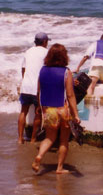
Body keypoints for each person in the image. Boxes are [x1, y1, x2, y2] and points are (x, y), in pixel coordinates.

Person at [32, 44, 80, 174]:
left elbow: (38, 91)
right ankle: (59, 168)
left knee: (49, 138)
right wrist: (76, 114)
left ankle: (39, 156)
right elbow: (70, 95)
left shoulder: (42, 70)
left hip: (48, 109)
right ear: (64, 56)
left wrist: (38, 107)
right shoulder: (66, 72)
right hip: (62, 109)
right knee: (64, 140)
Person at [17, 32, 49, 144]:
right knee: (38, 112)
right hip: (38, 88)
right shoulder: (47, 52)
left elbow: (23, 69)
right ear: (44, 42)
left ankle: (20, 138)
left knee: (23, 112)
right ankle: (33, 139)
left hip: (26, 86)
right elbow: (48, 70)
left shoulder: (28, 51)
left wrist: (25, 80)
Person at [75, 31, 103, 96]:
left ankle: (88, 104)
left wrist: (78, 68)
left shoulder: (96, 43)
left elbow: (86, 57)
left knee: (91, 86)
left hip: (97, 66)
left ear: (101, 38)